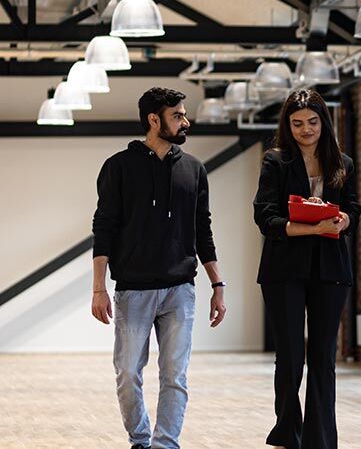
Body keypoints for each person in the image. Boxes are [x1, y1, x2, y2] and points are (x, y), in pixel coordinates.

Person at [90, 87, 228, 449]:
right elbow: (103, 228)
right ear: (154, 120)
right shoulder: (118, 167)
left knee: (175, 376)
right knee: (127, 374)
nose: (186, 121)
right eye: (178, 115)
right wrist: (98, 287)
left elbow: (203, 231)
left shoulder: (194, 170)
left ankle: (165, 444)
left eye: (184, 114)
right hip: (133, 290)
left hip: (180, 290)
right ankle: (140, 440)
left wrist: (218, 285)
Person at [253, 88, 361, 449]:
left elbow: (353, 209)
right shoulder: (276, 161)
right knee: (290, 356)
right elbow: (265, 217)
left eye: (312, 122)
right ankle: (287, 431)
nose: (306, 129)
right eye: (297, 123)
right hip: (284, 268)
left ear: (323, 122)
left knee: (323, 356)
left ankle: (321, 437)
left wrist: (341, 219)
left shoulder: (342, 163)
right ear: (287, 125)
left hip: (330, 269)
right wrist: (313, 226)